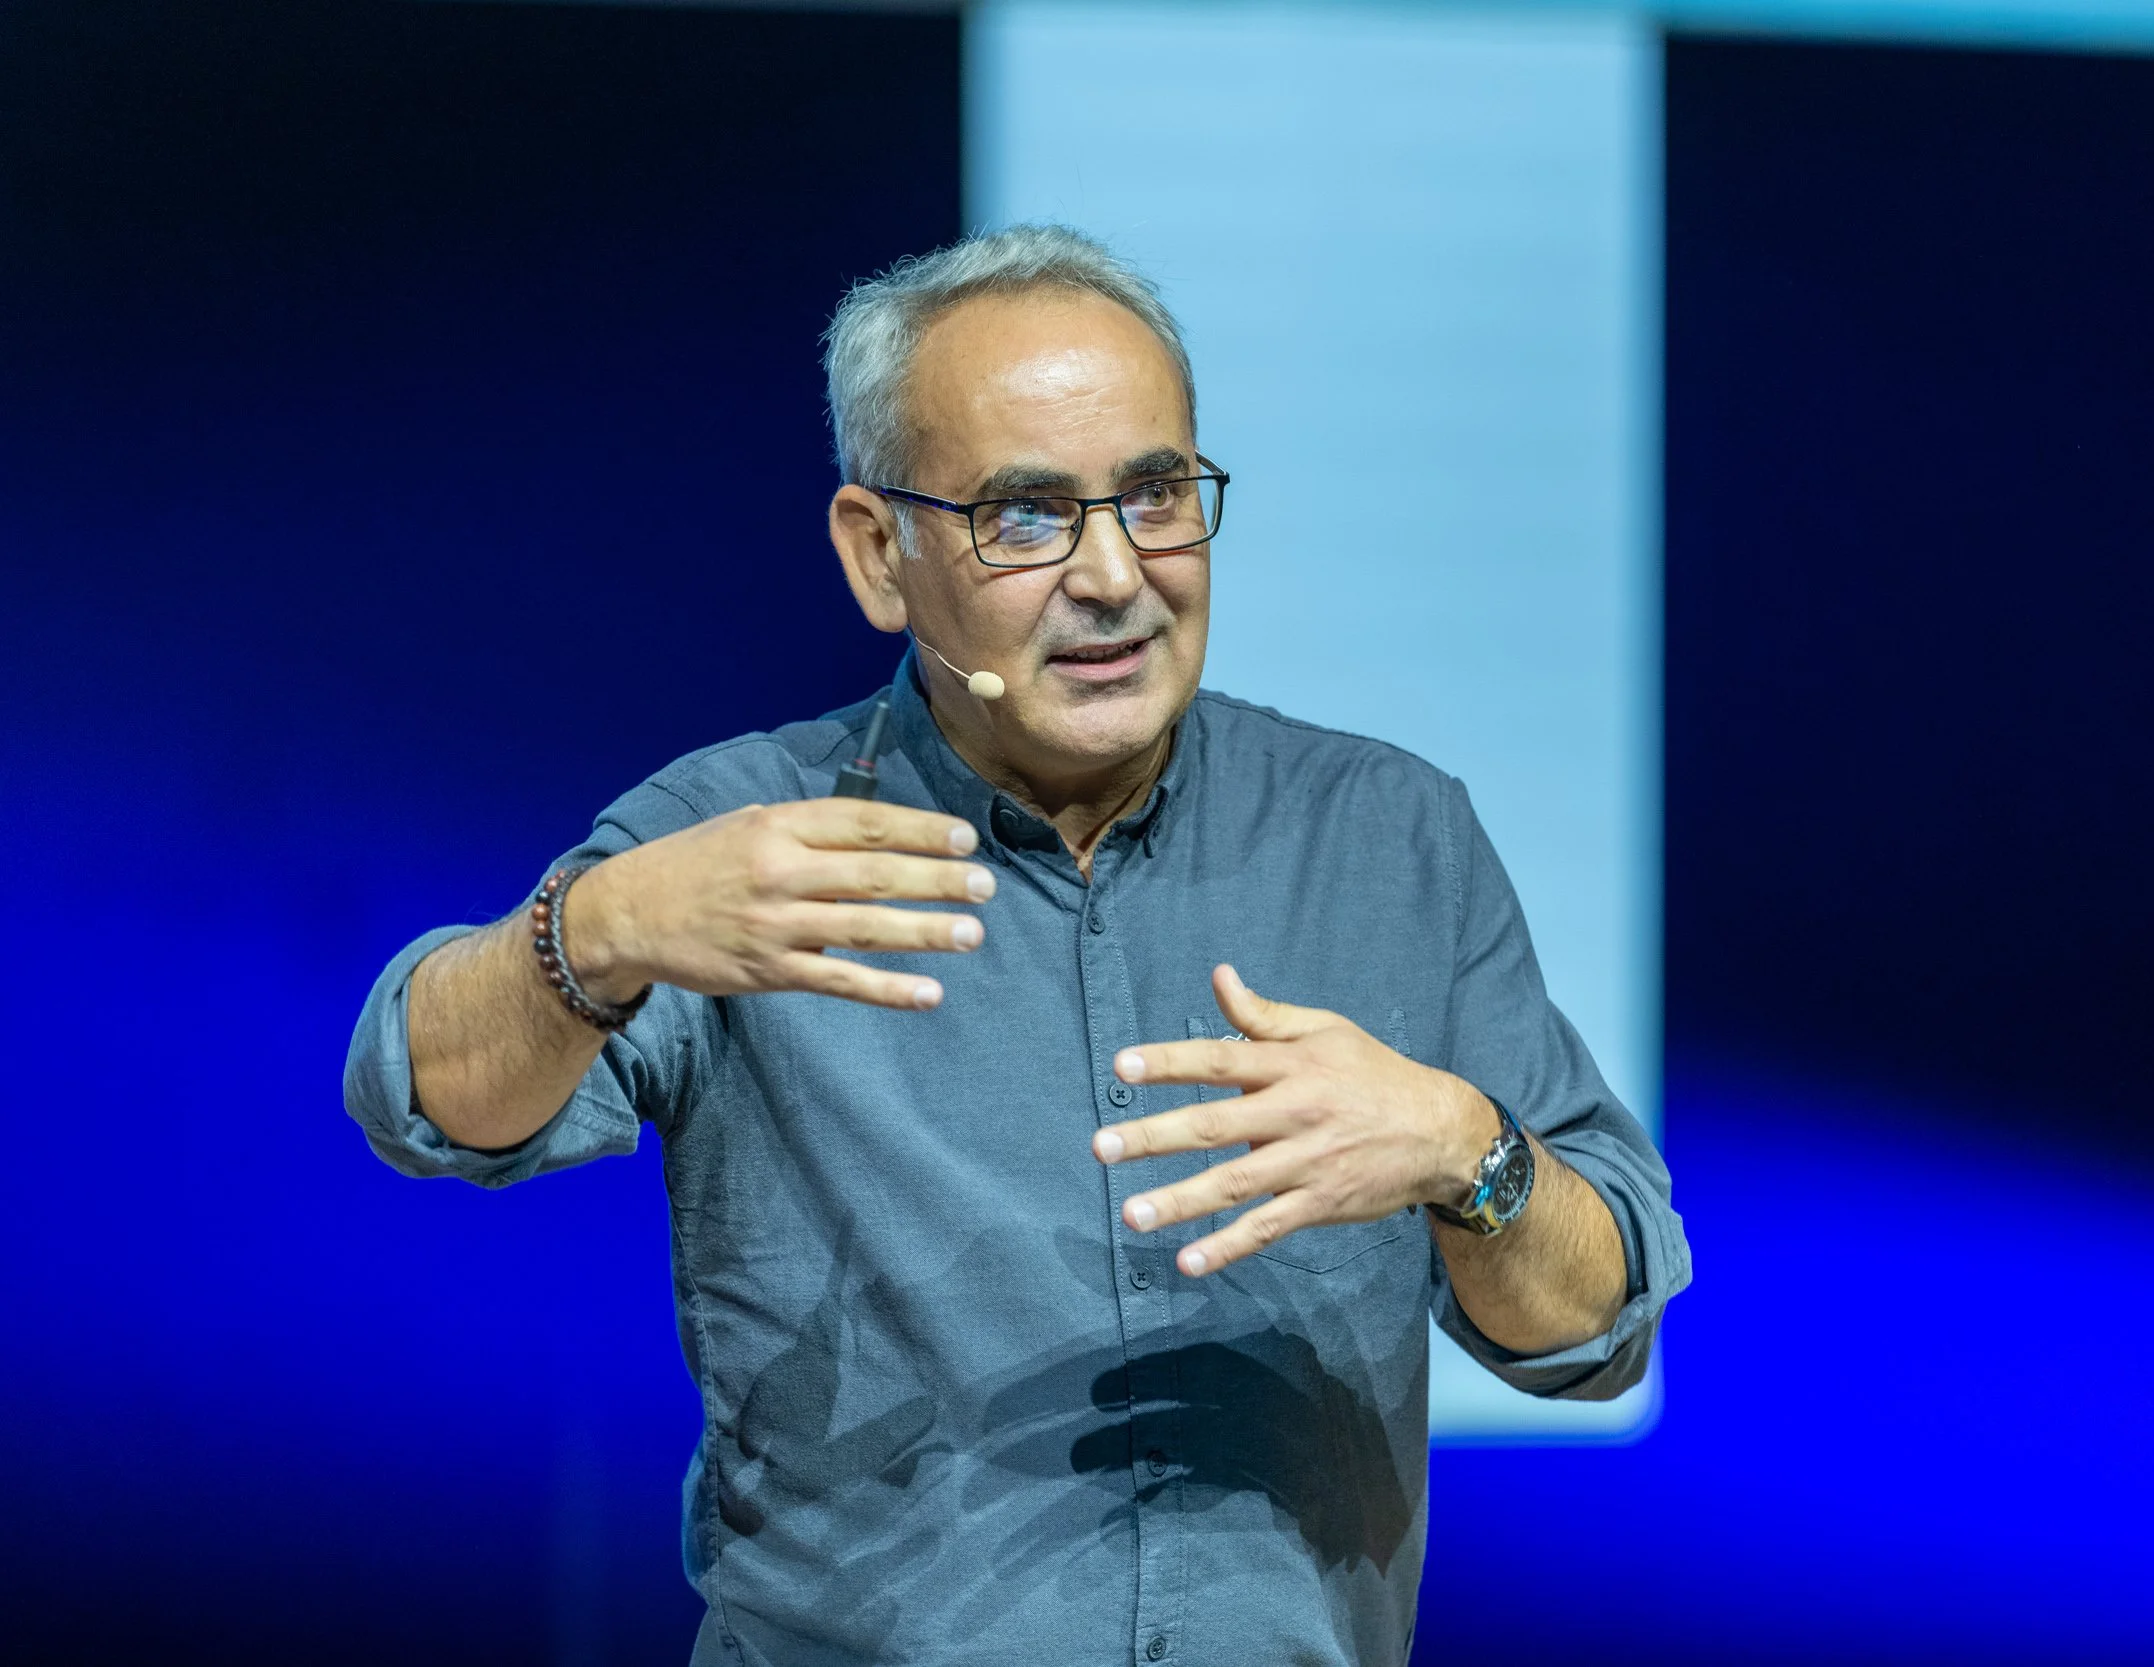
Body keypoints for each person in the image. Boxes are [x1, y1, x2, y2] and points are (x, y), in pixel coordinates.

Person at [345, 225, 1690, 1667]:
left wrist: (1461, 1144)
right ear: (881, 554)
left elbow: (1594, 1330)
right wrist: (593, 934)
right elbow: (430, 1103)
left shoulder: (1390, 835)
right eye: (1027, 516)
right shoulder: (750, 837)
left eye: (1157, 495)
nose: (1115, 573)